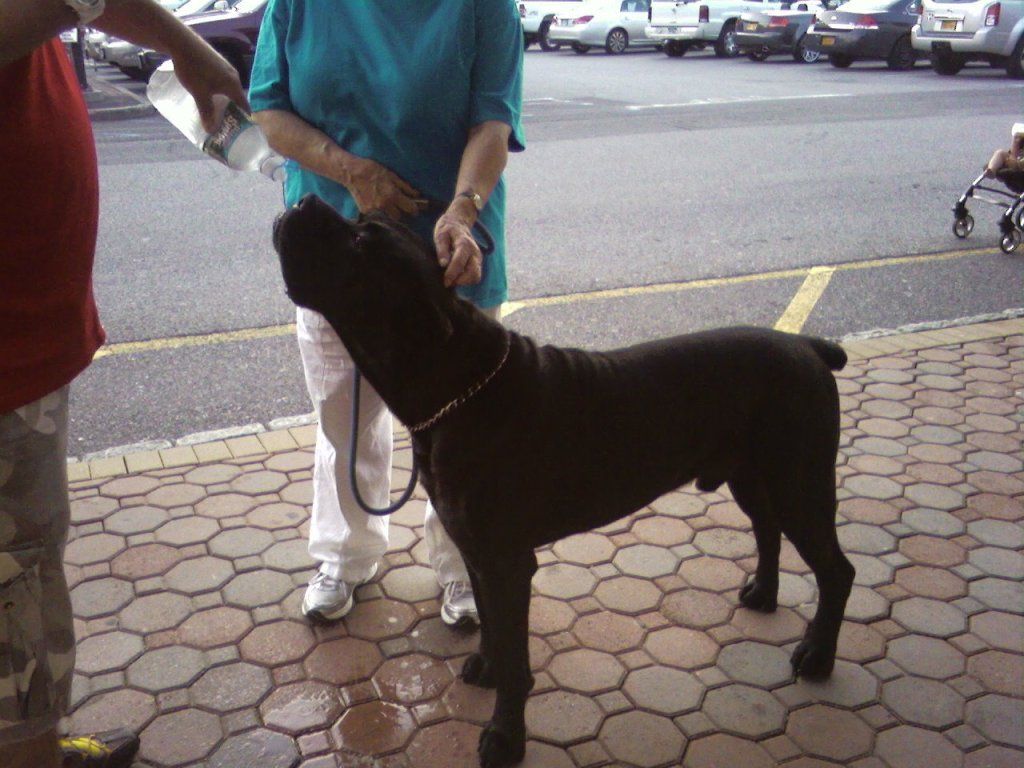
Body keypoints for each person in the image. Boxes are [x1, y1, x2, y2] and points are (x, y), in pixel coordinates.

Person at [0, 2, 248, 767]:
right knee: (17, 578)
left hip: (24, 335)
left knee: (26, 562)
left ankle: (34, 741)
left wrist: (183, 45)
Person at [249, 0, 525, 627]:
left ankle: (463, 564)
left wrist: (463, 209)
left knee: (464, 425)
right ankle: (347, 556)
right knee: (343, 414)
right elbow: (268, 109)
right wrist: (352, 172)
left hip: (446, 250)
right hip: (337, 251)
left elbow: (493, 122)